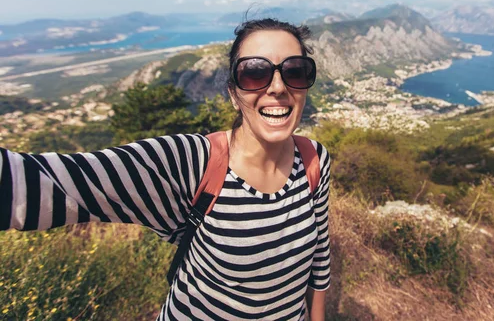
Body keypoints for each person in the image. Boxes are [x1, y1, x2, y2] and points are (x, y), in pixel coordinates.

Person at [0, 18, 331, 321]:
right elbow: (49, 182)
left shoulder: (314, 159)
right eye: (254, 72)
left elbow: (319, 259)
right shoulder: (192, 163)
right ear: (233, 93)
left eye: (295, 71)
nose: (277, 87)